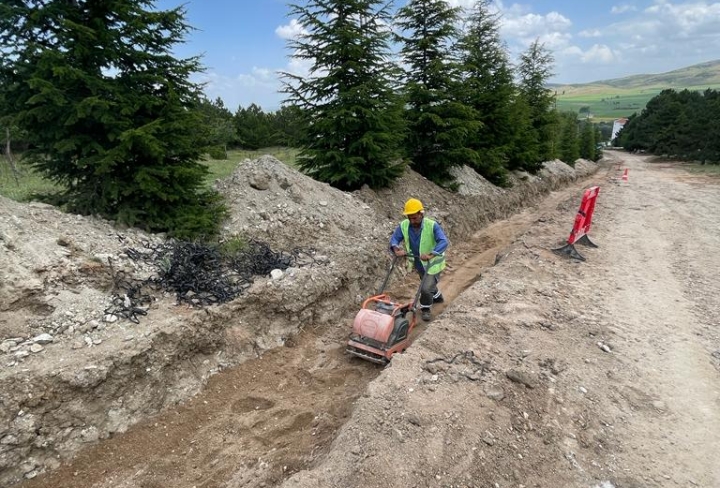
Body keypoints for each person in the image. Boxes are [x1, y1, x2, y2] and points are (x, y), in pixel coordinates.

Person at [389, 198, 449, 322]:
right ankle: (437, 296)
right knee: (426, 282)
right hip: (418, 262)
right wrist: (396, 249)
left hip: (433, 263)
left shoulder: (432, 225)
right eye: (409, 218)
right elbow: (395, 239)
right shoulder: (404, 225)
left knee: (426, 288)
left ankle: (426, 308)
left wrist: (431, 254)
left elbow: (443, 241)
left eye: (414, 218)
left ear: (421, 214)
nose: (412, 221)